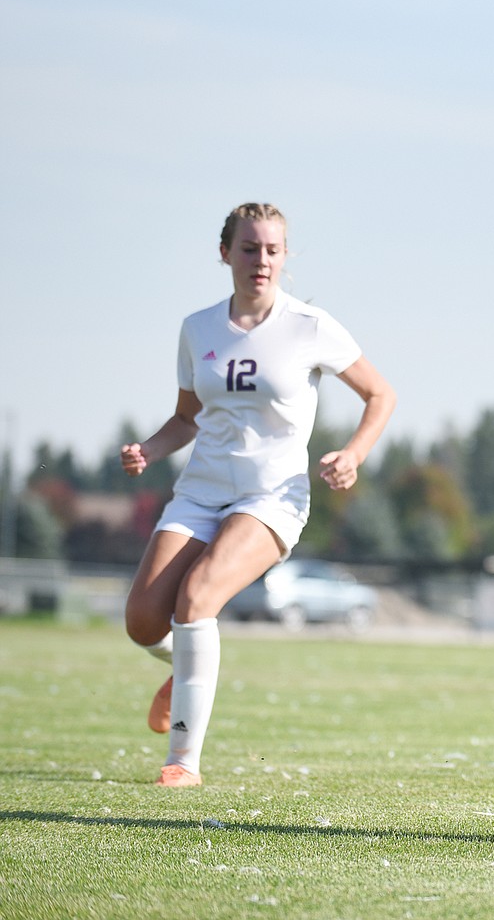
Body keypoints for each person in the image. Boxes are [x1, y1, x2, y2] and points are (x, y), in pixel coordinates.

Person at [121, 203, 396, 788]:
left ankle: (182, 761)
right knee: (144, 622)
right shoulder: (197, 328)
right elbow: (186, 419)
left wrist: (352, 455)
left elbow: (381, 395)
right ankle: (185, 665)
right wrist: (149, 448)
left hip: (272, 497)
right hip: (199, 493)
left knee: (196, 601)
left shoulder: (310, 325)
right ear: (225, 253)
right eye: (249, 249)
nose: (261, 260)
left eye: (272, 250)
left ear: (285, 256)